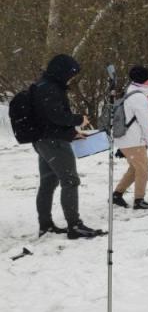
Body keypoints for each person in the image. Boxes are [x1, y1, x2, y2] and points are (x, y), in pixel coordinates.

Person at [31, 53, 102, 238]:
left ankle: (46, 225)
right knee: (70, 181)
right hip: (54, 143)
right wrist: (79, 119)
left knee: (48, 182)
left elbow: (47, 119)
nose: (71, 78)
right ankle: (74, 225)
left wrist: (72, 133)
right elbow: (57, 116)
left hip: (43, 140)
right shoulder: (51, 88)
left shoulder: (42, 85)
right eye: (71, 74)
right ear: (62, 71)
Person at [112, 65, 148, 210]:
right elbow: (144, 123)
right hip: (134, 140)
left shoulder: (130, 92)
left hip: (125, 138)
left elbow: (134, 115)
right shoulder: (139, 97)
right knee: (143, 170)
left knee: (134, 169)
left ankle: (117, 195)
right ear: (144, 79)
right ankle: (139, 200)